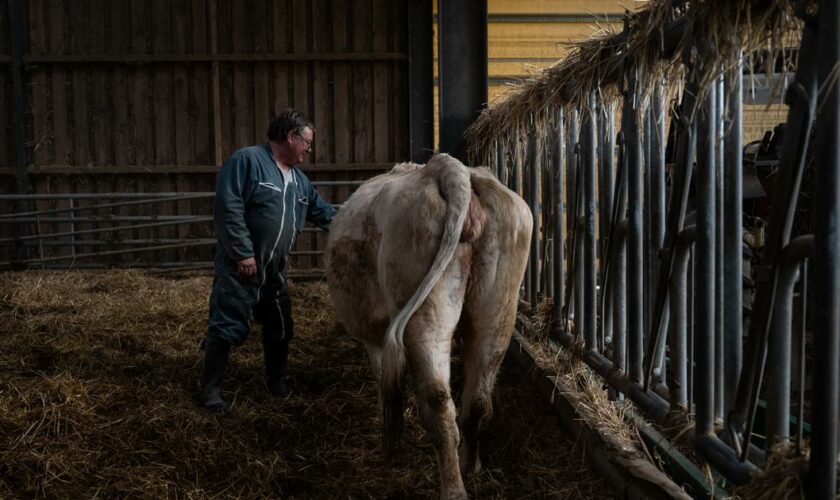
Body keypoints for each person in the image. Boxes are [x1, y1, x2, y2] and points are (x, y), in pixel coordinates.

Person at [201, 109, 336, 412]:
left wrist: (361, 223)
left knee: (280, 325)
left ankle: (277, 382)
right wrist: (242, 252)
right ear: (291, 137)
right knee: (226, 325)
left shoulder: (300, 181)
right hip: (241, 266)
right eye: (307, 142)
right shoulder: (247, 161)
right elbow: (228, 207)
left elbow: (324, 213)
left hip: (274, 270)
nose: (309, 149)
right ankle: (211, 391)